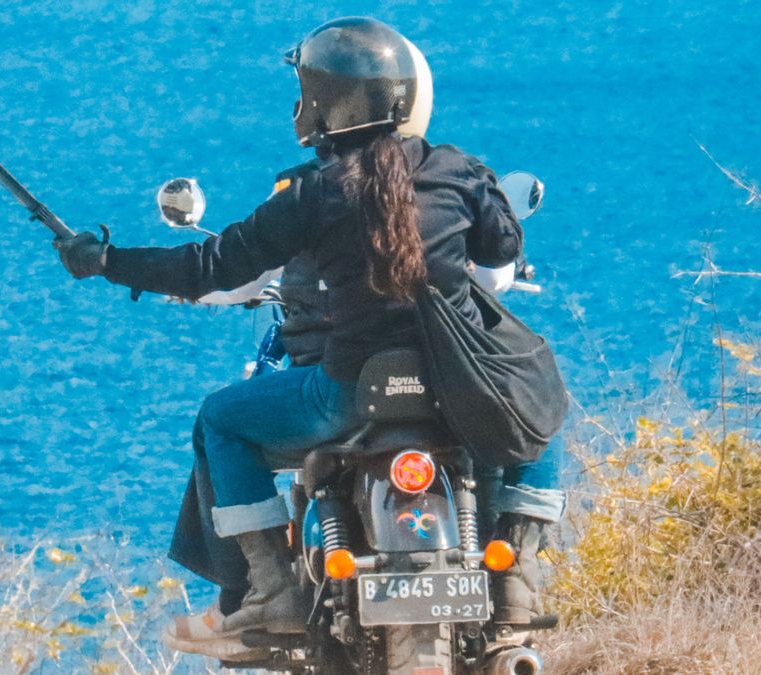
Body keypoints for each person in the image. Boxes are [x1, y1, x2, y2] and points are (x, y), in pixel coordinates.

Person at [56, 16, 562, 657]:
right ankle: (516, 576)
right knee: (537, 404)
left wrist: (108, 261)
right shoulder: (458, 170)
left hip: (349, 391)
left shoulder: (315, 193)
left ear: (324, 103)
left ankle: (271, 592)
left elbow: (212, 268)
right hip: (452, 384)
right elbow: (499, 258)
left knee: (221, 419)